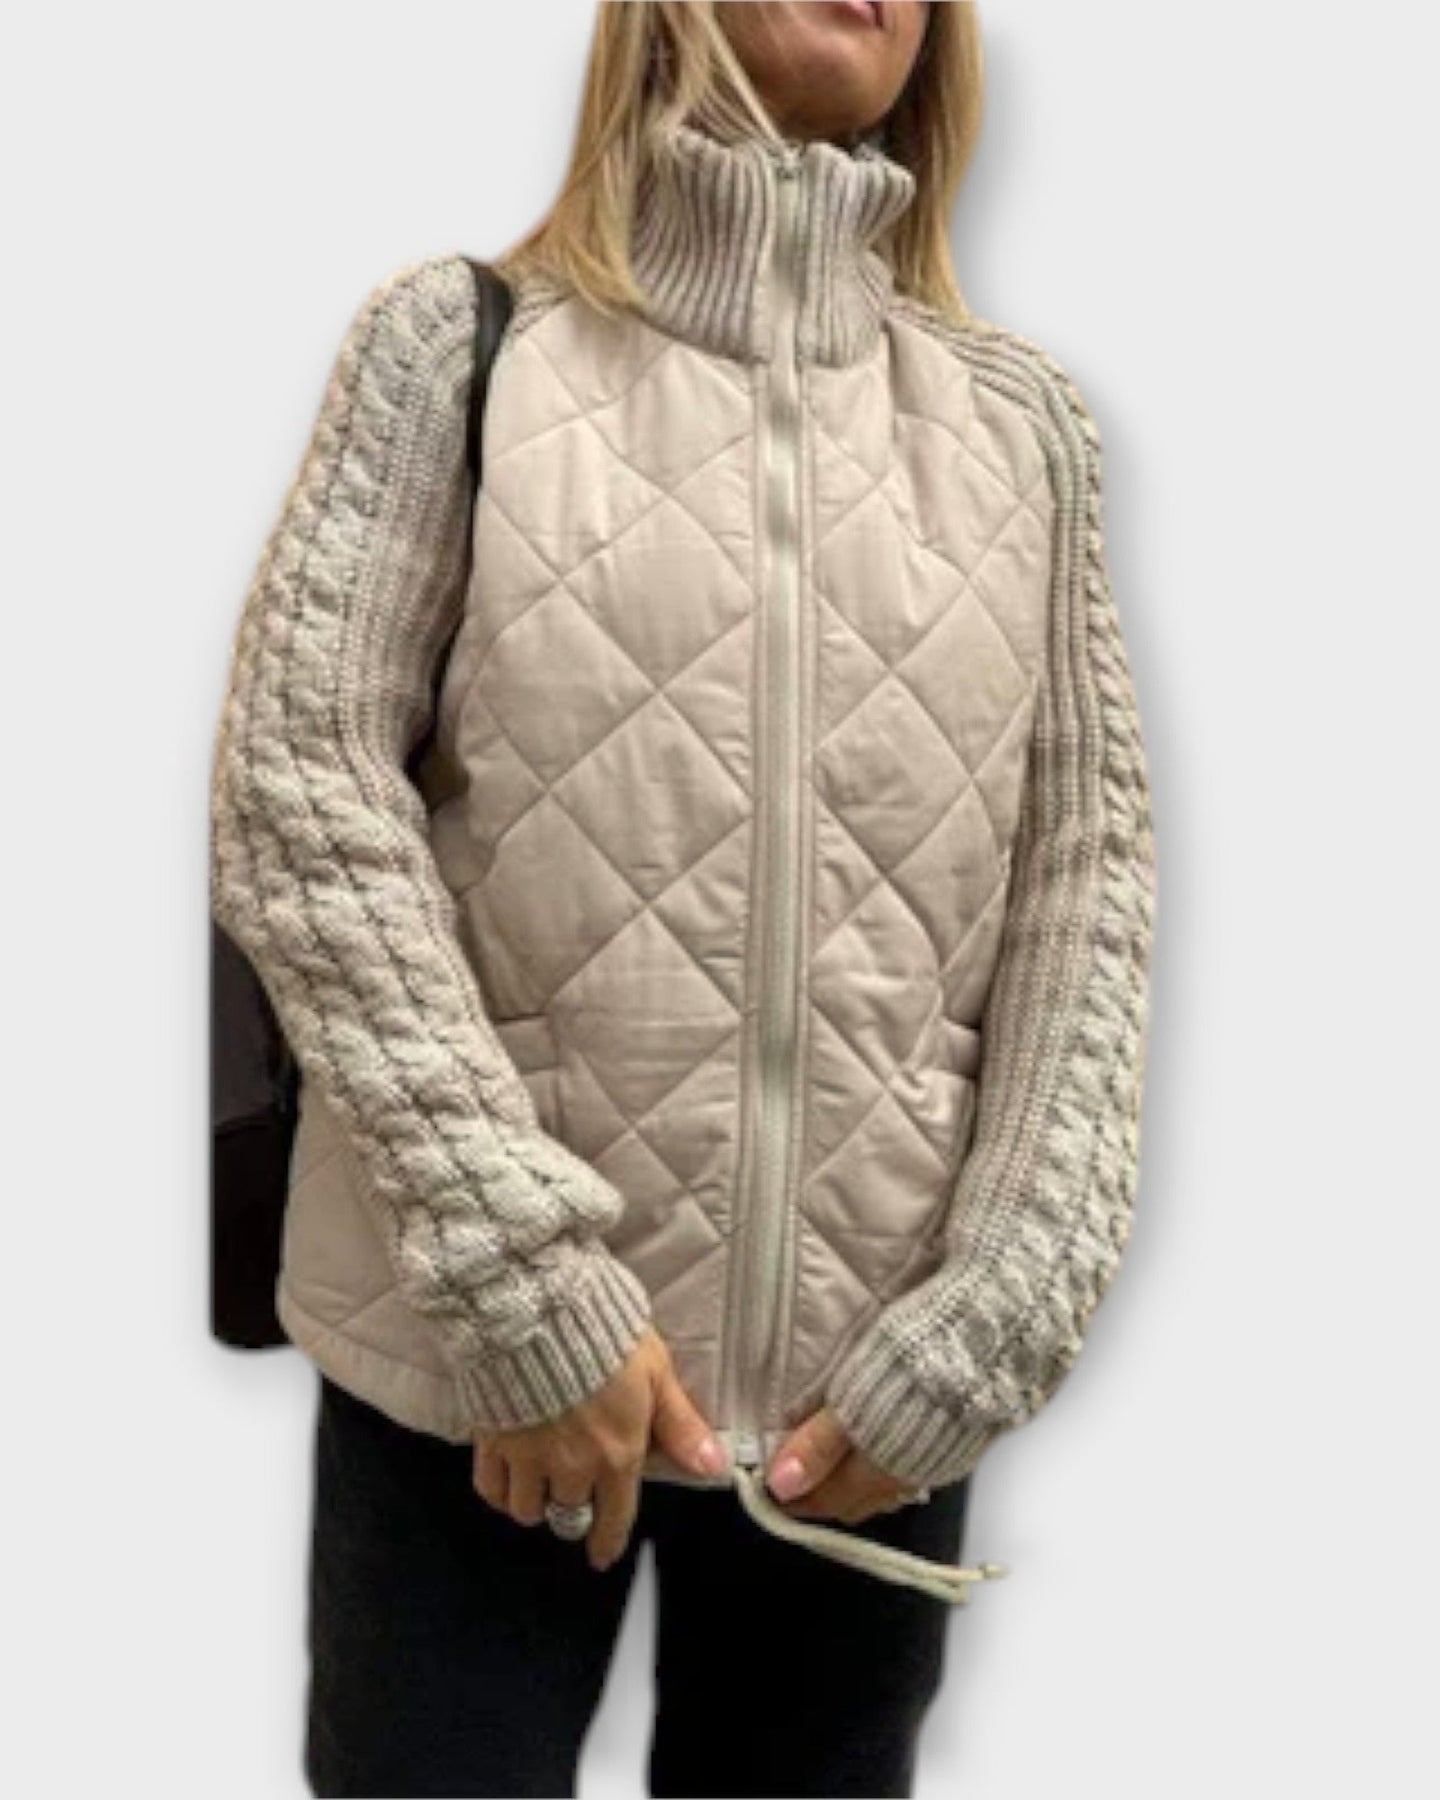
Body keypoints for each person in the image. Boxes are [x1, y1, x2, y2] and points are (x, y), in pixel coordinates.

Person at [209, 2, 1157, 1793]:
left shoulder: (1022, 428)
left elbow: (1084, 890)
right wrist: (524, 1284)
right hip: (474, 1383)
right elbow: (300, 787)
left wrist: (995, 1320)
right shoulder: (463, 347)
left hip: (863, 1419)